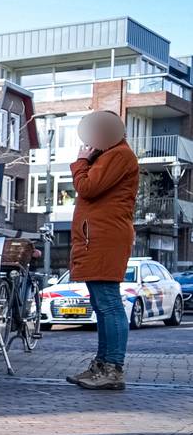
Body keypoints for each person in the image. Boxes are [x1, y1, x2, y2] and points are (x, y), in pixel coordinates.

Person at [66, 111, 138, 391]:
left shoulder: (118, 155)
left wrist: (82, 160)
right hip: (98, 237)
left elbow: (88, 187)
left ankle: (112, 369)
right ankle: (102, 365)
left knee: (108, 304)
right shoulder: (112, 155)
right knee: (103, 304)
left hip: (104, 238)